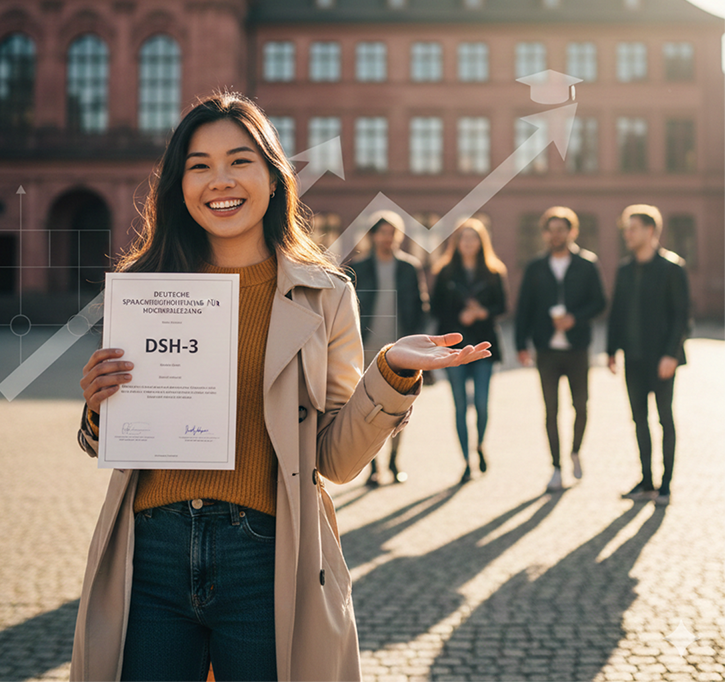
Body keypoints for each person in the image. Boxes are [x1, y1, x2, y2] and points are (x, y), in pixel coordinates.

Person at [70, 92, 491, 682]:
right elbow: (112, 441)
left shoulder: (325, 295)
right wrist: (98, 409)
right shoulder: (145, 289)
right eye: (199, 165)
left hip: (266, 551)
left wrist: (391, 374)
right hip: (150, 550)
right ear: (179, 185)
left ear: (273, 178)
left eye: (240, 161)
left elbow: (334, 459)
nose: (220, 180)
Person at [515, 206, 606, 492]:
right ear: (545, 234)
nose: (555, 235)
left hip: (577, 348)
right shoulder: (535, 267)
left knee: (581, 406)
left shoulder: (587, 264)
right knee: (551, 410)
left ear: (572, 232)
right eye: (551, 230)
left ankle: (575, 451)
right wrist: (520, 344)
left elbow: (600, 302)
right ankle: (556, 467)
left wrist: (575, 318)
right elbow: (524, 307)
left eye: (561, 230)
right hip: (546, 350)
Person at [607, 204, 690, 506]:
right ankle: (646, 482)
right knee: (639, 420)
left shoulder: (672, 267)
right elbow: (617, 312)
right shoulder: (624, 269)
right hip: (634, 358)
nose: (627, 234)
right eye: (626, 229)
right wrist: (611, 350)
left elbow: (682, 316)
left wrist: (671, 354)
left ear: (650, 230)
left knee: (664, 419)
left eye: (633, 229)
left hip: (662, 359)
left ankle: (665, 486)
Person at [347, 211, 429, 485]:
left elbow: (420, 307)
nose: (387, 238)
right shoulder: (357, 268)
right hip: (365, 348)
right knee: (368, 409)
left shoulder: (409, 267)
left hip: (400, 350)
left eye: (392, 233)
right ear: (373, 236)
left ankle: (394, 461)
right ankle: (372, 466)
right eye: (382, 232)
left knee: (398, 408)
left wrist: (421, 348)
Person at [431, 218, 507, 484]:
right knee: (460, 405)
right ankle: (465, 460)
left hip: (484, 346)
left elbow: (502, 305)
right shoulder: (445, 273)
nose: (468, 243)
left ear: (481, 242)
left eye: (473, 238)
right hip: (455, 350)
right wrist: (459, 316)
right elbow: (435, 308)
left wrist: (483, 312)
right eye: (464, 238)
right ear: (457, 242)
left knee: (482, 404)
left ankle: (480, 445)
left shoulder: (494, 271)